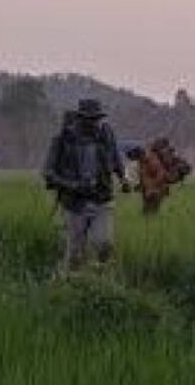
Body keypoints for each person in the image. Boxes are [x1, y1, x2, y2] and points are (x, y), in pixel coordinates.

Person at [43, 99, 130, 270]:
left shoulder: (106, 135)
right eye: (89, 119)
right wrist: (74, 185)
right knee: (75, 254)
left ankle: (100, 276)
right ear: (80, 118)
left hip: (102, 199)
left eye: (96, 118)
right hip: (74, 203)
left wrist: (123, 179)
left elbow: (116, 158)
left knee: (104, 244)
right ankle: (71, 280)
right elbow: (48, 173)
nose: (94, 123)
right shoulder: (62, 139)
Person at [125, 145, 170, 215]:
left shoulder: (152, 161)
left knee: (152, 212)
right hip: (147, 191)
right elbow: (144, 176)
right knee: (146, 212)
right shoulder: (142, 162)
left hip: (157, 190)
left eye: (135, 158)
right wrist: (140, 185)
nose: (135, 160)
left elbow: (161, 176)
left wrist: (152, 188)